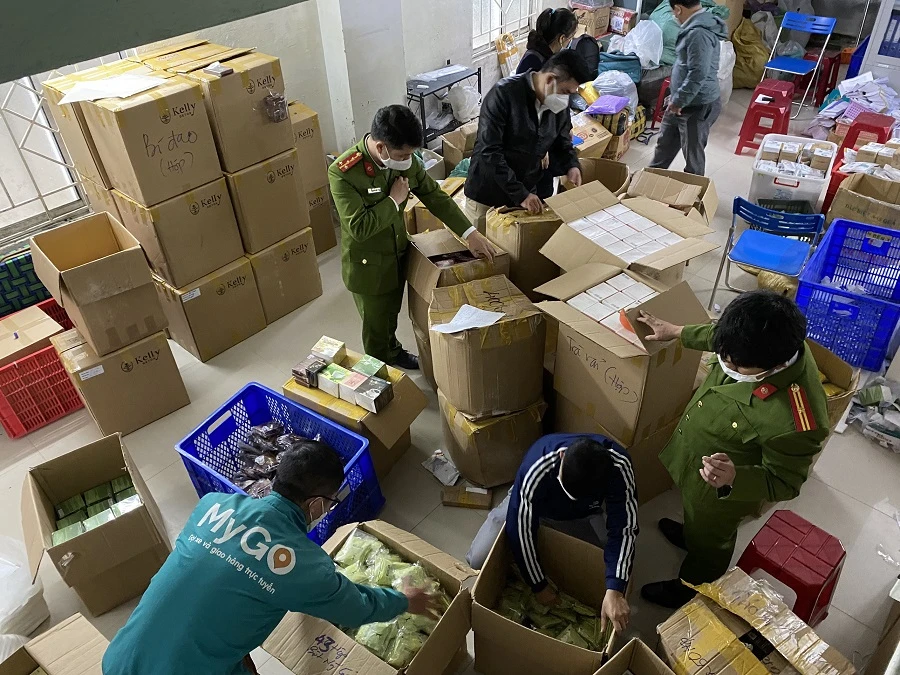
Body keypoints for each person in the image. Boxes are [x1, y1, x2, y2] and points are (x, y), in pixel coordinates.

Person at [102, 441, 440, 675]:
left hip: (120, 659)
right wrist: (404, 601)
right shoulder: (304, 565)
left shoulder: (212, 504)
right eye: (330, 502)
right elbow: (356, 608)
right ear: (316, 504)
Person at [636, 291, 830, 608]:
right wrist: (677, 332)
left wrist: (735, 478)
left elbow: (786, 482)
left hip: (722, 491)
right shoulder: (762, 335)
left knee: (711, 541)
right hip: (697, 460)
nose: (726, 364)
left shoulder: (797, 420)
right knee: (694, 518)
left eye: (736, 364)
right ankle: (690, 535)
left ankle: (692, 586)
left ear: (776, 364)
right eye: (724, 356)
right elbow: (724, 338)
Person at [330, 105, 496, 370]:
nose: (409, 161)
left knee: (391, 314)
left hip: (398, 253)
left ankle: (393, 351)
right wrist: (393, 201)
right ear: (382, 148)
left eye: (411, 154)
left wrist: (470, 234)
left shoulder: (401, 161)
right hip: (368, 265)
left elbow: (435, 196)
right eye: (403, 155)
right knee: (376, 325)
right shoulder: (344, 172)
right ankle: (380, 368)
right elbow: (358, 227)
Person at [466, 434, 638, 633]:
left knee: (606, 574)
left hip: (580, 516)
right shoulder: (537, 464)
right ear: (562, 456)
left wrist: (615, 589)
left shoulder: (619, 466)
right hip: (530, 504)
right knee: (478, 558)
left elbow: (625, 528)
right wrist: (538, 585)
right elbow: (520, 529)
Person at [464, 50, 592, 232]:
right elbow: (489, 151)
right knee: (483, 245)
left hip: (525, 192)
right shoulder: (503, 95)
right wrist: (520, 193)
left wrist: (571, 165)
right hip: (488, 194)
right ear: (550, 79)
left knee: (516, 246)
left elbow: (562, 142)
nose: (566, 99)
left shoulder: (557, 105)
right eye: (565, 92)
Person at [648, 0, 727, 176]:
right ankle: (648, 180)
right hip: (681, 100)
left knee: (692, 157)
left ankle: (694, 190)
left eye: (672, 11)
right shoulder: (698, 24)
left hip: (697, 104)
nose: (673, 16)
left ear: (678, 9)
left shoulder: (698, 33)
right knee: (665, 145)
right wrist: (676, 99)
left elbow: (698, 73)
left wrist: (679, 100)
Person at [515, 7, 579, 75]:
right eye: (571, 37)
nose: (571, 41)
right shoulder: (533, 60)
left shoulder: (547, 55)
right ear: (562, 39)